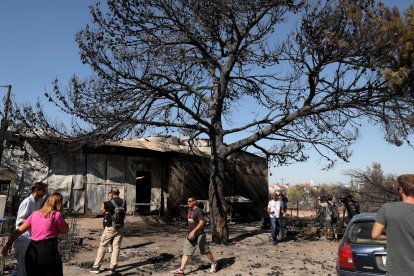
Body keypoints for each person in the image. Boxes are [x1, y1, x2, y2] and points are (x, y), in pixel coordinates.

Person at [2, 192, 69, 276]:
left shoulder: (35, 214)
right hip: (48, 252)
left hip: (32, 252)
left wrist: (8, 244)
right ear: (59, 204)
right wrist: (63, 221)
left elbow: (18, 231)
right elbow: (65, 231)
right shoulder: (56, 215)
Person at [371, 174, 414, 275]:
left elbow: (375, 235)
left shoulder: (388, 208)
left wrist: (392, 236)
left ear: (401, 190)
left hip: (397, 270)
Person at [171, 196, 217, 274]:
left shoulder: (199, 211)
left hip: (199, 234)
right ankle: (181, 269)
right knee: (186, 251)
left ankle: (214, 263)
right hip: (191, 235)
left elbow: (202, 222)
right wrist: (189, 231)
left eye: (190, 201)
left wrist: (193, 231)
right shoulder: (189, 210)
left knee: (204, 250)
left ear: (194, 202)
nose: (188, 202)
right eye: (187, 201)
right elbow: (191, 222)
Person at [11, 182, 48, 276]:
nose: (45, 193)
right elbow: (19, 222)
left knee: (27, 266)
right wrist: (34, 221)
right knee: (23, 268)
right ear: (36, 190)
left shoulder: (38, 202)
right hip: (23, 238)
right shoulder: (27, 202)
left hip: (31, 238)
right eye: (43, 191)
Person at [90, 187, 126, 275]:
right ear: (119, 193)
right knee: (116, 247)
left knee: (103, 245)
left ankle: (96, 267)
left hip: (110, 227)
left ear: (112, 194)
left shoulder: (108, 203)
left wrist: (104, 207)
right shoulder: (124, 202)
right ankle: (113, 268)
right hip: (120, 227)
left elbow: (102, 212)